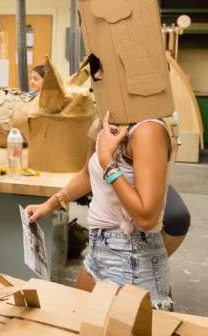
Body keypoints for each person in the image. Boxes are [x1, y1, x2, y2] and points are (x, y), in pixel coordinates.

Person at [26, 111, 174, 309]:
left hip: (131, 255)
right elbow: (89, 172)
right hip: (99, 248)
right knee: (80, 327)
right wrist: (50, 204)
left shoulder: (149, 130)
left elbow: (146, 217)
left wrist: (107, 162)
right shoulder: (105, 120)